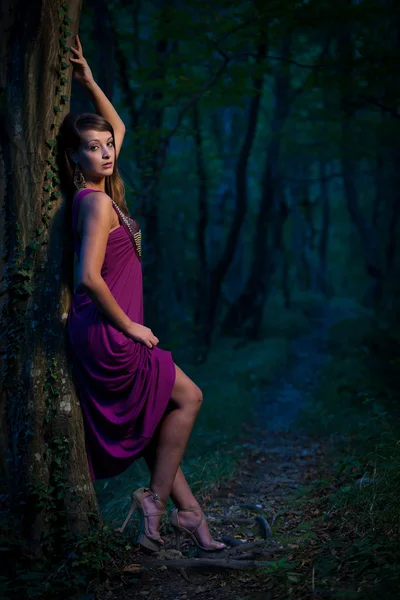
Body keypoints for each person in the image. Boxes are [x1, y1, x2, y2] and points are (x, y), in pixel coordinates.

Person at [59, 35, 225, 553]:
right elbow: (88, 276)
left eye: (107, 145)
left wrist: (87, 81)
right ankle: (154, 501)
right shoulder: (93, 203)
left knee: (157, 425)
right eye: (92, 146)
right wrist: (130, 326)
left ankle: (191, 517)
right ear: (73, 156)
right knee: (189, 396)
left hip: (112, 328)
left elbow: (121, 125)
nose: (106, 151)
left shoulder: (105, 192)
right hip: (111, 331)